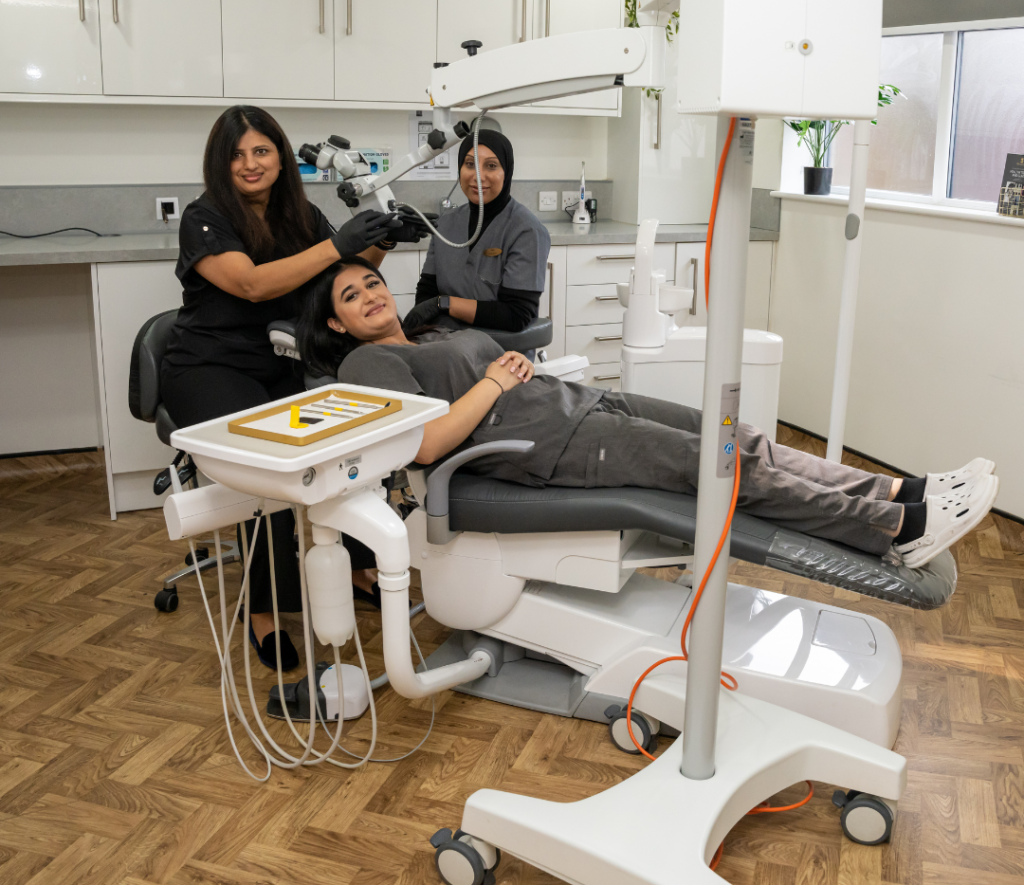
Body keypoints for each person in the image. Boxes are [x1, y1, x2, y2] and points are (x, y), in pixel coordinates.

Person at [299, 256, 999, 570]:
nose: (369, 296)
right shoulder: (365, 365)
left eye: (371, 284)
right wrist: (492, 383)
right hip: (545, 445)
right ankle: (892, 530)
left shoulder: (423, 333)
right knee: (718, 466)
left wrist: (509, 374)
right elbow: (424, 446)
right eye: (351, 299)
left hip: (581, 405)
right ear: (335, 326)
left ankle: (903, 491)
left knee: (738, 437)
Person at [160, 105, 428, 670]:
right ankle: (265, 611)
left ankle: (357, 565)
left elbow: (339, 275)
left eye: (261, 150)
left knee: (350, 451)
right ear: (220, 163)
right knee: (271, 475)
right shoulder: (204, 218)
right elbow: (254, 285)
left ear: (280, 155)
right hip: (208, 365)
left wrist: (383, 241)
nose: (250, 164)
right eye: (237, 154)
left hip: (281, 360)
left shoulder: (299, 213)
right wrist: (341, 244)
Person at [403, 129, 551, 335]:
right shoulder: (446, 224)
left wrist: (446, 304)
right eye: (470, 164)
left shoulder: (526, 230)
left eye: (491, 166)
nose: (478, 176)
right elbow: (427, 294)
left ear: (506, 172)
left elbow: (517, 315)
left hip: (500, 351)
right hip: (445, 344)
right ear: (459, 169)